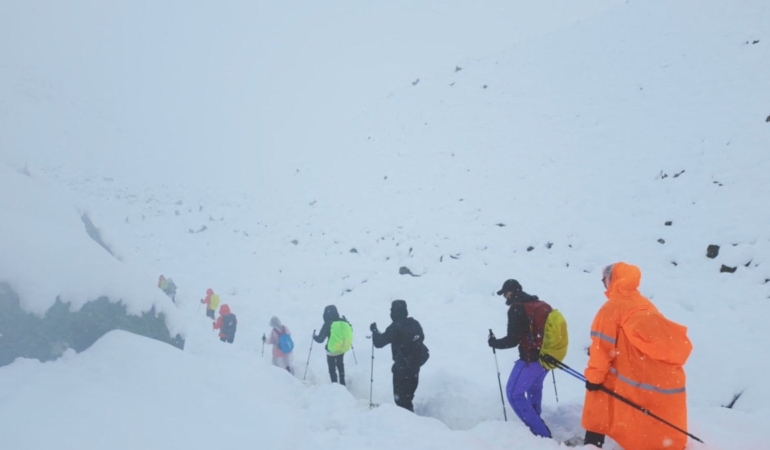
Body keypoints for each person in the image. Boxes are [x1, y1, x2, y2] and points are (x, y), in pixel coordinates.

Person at [582, 262, 692, 450]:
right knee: (648, 419)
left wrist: (594, 378)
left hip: (630, 376)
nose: (604, 284)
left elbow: (601, 350)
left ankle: (593, 443)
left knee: (599, 401)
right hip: (657, 378)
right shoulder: (645, 304)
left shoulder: (611, 310)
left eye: (604, 280)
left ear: (612, 280)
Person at [488, 279, 552, 438]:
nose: (505, 297)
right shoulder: (536, 303)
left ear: (510, 292)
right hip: (546, 359)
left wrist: (494, 343)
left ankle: (541, 435)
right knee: (534, 389)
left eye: (505, 293)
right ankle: (536, 422)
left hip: (530, 359)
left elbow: (513, 339)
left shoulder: (517, 308)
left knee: (513, 394)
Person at [370, 299, 429, 412]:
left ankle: (407, 424)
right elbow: (421, 338)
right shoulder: (414, 323)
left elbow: (379, 343)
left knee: (401, 400)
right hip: (415, 367)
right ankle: (411, 420)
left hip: (402, 369)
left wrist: (374, 331)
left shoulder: (394, 327)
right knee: (408, 397)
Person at [313, 305, 352, 385]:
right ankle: (342, 382)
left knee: (332, 369)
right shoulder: (343, 321)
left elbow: (320, 339)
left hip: (332, 351)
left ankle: (335, 385)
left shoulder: (328, 324)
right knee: (340, 364)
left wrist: (314, 336)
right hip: (342, 348)